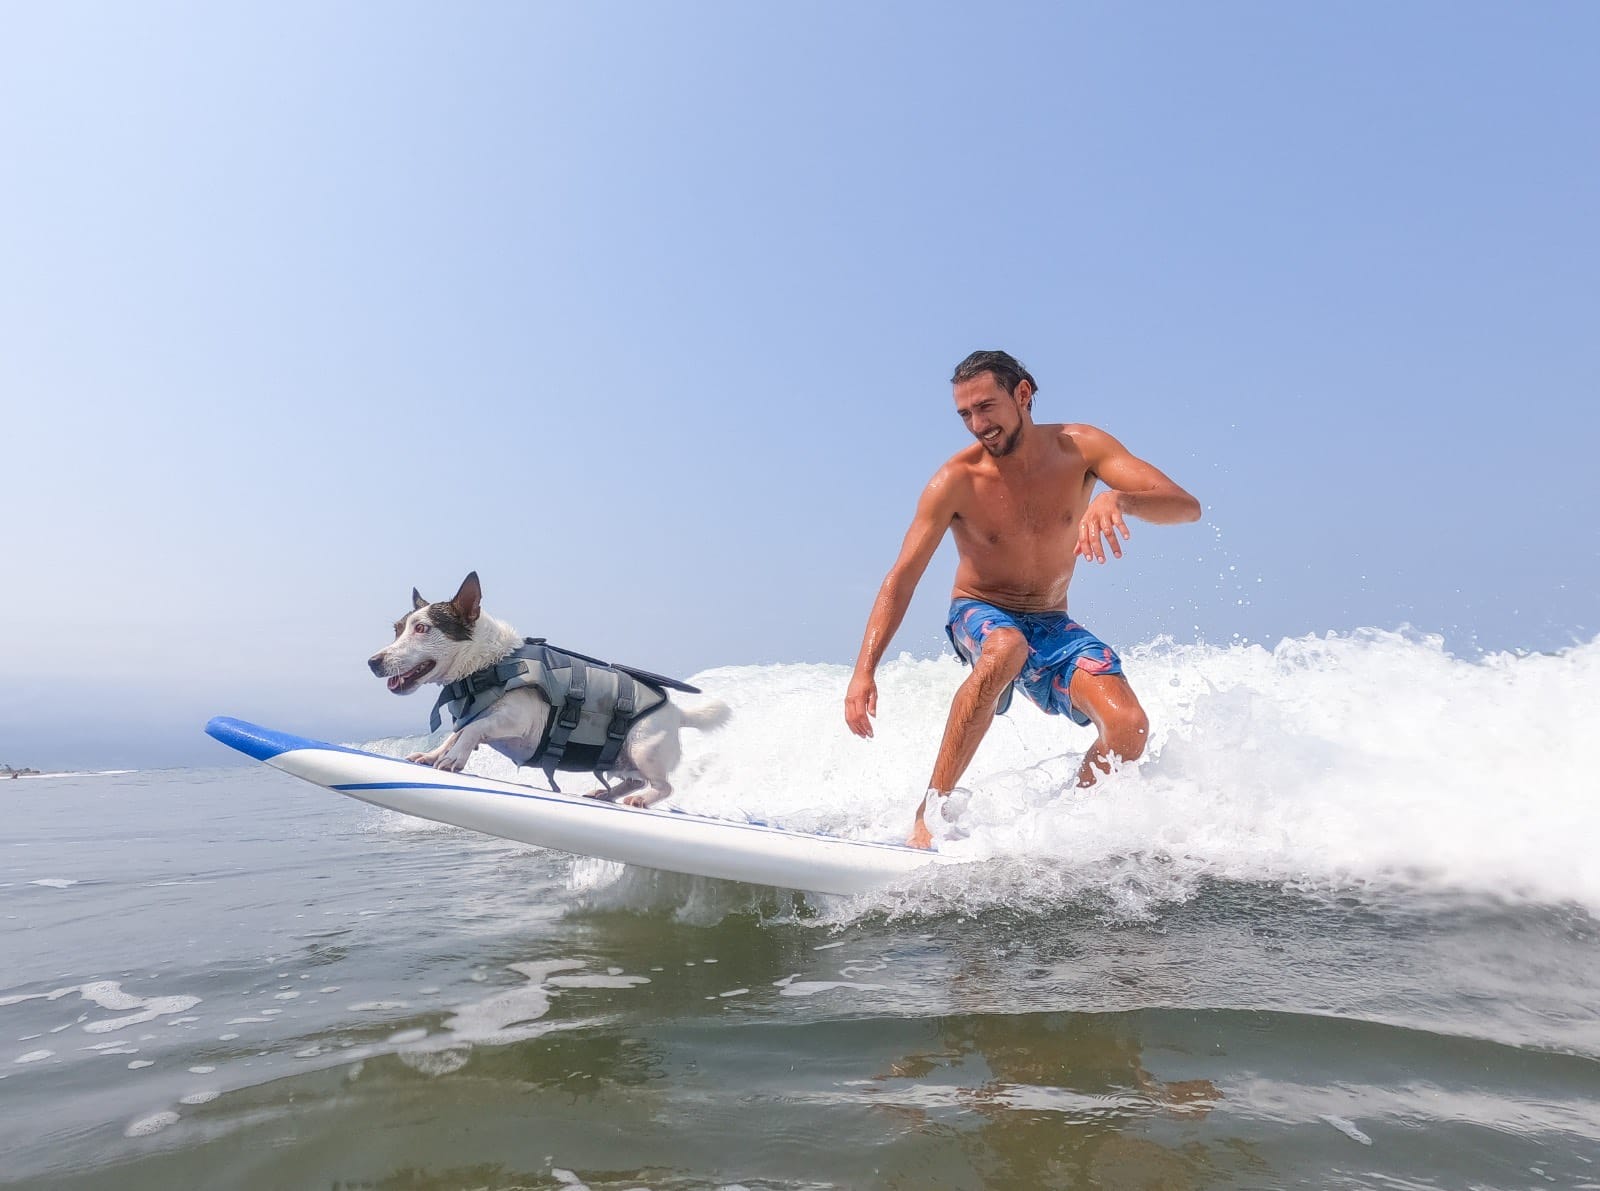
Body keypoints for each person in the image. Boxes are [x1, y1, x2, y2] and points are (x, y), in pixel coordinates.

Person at [845, 350, 1201, 848]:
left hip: (1052, 623)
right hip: (981, 610)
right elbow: (902, 576)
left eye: (986, 407)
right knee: (1006, 646)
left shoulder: (1082, 449)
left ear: (1024, 394)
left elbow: (1186, 507)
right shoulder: (956, 481)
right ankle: (928, 816)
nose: (977, 424)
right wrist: (865, 669)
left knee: (1129, 727)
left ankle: (1064, 828)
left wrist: (1121, 499)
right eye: (965, 414)